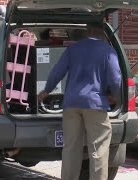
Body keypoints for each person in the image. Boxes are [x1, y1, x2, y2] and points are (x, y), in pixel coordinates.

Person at [38, 22, 121, 180]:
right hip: (95, 104)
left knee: (70, 149)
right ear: (102, 33)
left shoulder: (73, 49)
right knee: (99, 149)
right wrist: (116, 97)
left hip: (71, 104)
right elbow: (116, 79)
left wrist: (46, 91)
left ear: (87, 31)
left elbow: (57, 72)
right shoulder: (108, 51)